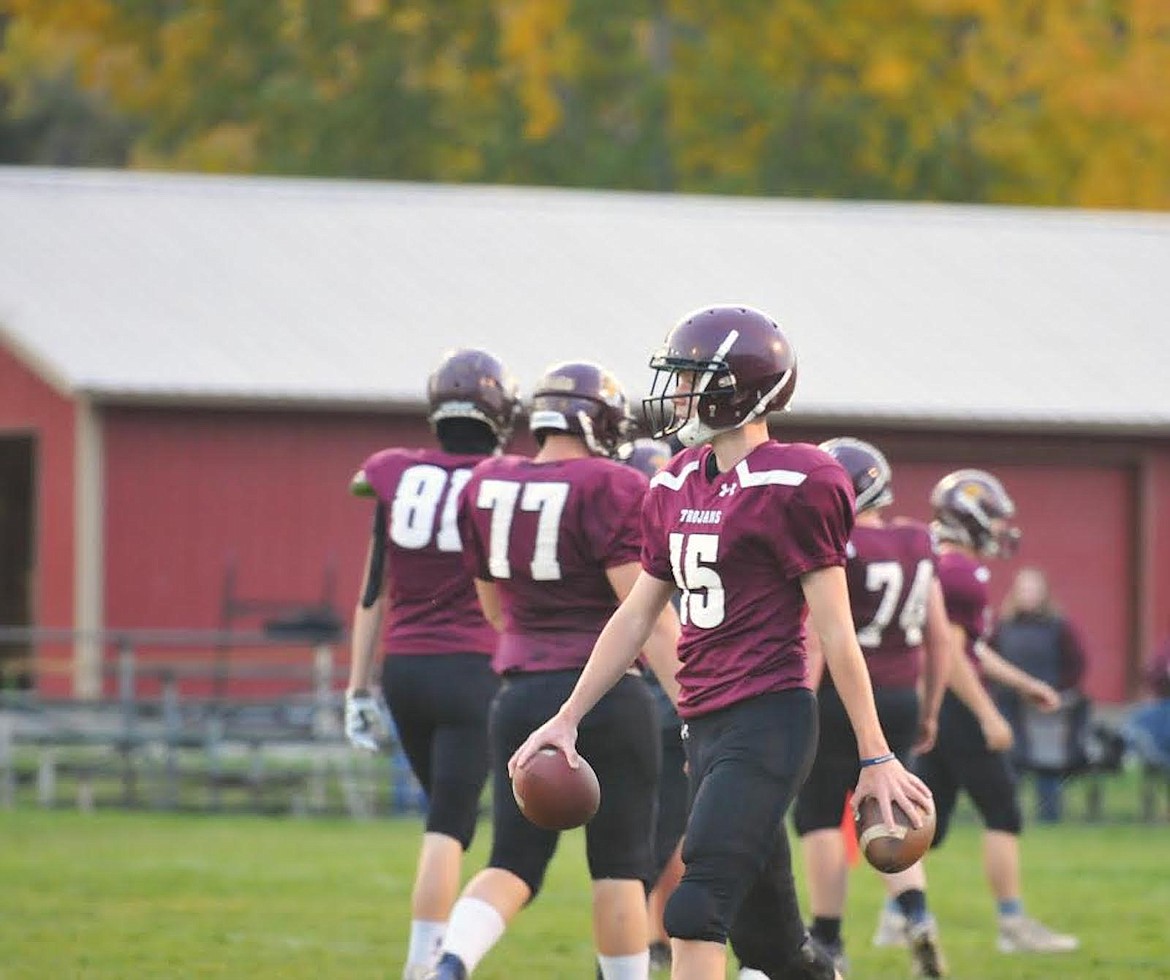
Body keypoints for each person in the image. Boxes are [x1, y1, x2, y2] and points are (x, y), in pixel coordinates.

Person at [510, 305, 933, 980]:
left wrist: (875, 751)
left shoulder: (799, 480)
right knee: (772, 946)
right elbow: (635, 617)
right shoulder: (674, 481)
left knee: (693, 906)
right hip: (700, 727)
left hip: (770, 718)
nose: (674, 393)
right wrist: (566, 717)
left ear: (731, 386)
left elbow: (834, 628)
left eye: (686, 378)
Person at [427, 362, 681, 980]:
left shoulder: (486, 482)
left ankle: (449, 962)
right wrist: (694, 703)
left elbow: (494, 609)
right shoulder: (613, 484)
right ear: (599, 423)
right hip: (610, 698)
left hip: (520, 693)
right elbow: (639, 612)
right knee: (621, 866)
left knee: (511, 860)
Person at [343, 348, 521, 980]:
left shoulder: (394, 472)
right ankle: (423, 965)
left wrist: (357, 688)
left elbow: (373, 590)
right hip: (472, 668)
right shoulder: (506, 479)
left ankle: (428, 958)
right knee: (450, 825)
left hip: (404, 672)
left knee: (442, 815)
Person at [875, 469, 1079, 957]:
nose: (1000, 529)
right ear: (970, 520)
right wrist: (989, 714)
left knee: (932, 821)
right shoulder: (960, 572)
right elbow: (952, 657)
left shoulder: (945, 564)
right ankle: (1012, 924)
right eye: (992, 518)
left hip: (937, 703)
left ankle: (895, 917)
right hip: (955, 706)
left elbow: (971, 650)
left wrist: (1026, 685)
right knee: (1003, 810)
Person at [792, 437, 950, 978]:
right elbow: (940, 638)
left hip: (841, 695)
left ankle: (829, 939)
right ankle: (917, 913)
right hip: (901, 695)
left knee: (817, 818)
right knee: (889, 811)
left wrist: (798, 705)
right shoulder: (917, 539)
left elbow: (817, 635)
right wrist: (929, 709)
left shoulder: (837, 541)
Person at [618, 437, 686, 975]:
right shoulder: (676, 541)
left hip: (639, 701)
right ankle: (638, 944)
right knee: (657, 838)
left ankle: (653, 937)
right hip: (667, 700)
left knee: (658, 835)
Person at [990, 567, 1088, 822]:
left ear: (1044, 594)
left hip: (1047, 705)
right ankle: (1009, 815)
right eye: (1023, 589)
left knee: (1048, 763)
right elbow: (986, 661)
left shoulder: (1058, 626)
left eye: (1033, 589)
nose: (1028, 595)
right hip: (1010, 703)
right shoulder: (1003, 626)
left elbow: (1076, 663)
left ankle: (1049, 818)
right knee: (1011, 761)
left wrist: (1059, 691)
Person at [1122, 632, 1170, 773]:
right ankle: (1133, 751)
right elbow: (1153, 671)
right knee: (1141, 720)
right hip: (1163, 702)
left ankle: (1146, 753)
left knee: (1144, 722)